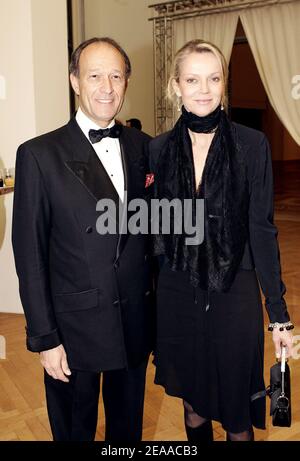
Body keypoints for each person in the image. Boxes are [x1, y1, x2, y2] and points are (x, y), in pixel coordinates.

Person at [149, 39, 294, 442]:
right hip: (179, 293)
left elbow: (262, 229)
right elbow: (155, 235)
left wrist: (278, 314)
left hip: (236, 292)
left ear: (224, 83)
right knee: (193, 408)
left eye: (213, 78)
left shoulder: (251, 145)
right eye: (192, 79)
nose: (204, 89)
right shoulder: (158, 150)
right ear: (175, 85)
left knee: (236, 415)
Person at [12, 37, 154, 442]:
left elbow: (152, 241)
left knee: (127, 433)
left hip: (133, 322)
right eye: (94, 76)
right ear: (75, 81)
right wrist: (45, 338)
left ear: (127, 81)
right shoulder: (39, 155)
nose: (106, 87)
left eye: (116, 75)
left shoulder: (145, 148)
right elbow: (30, 256)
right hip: (73, 329)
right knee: (74, 431)